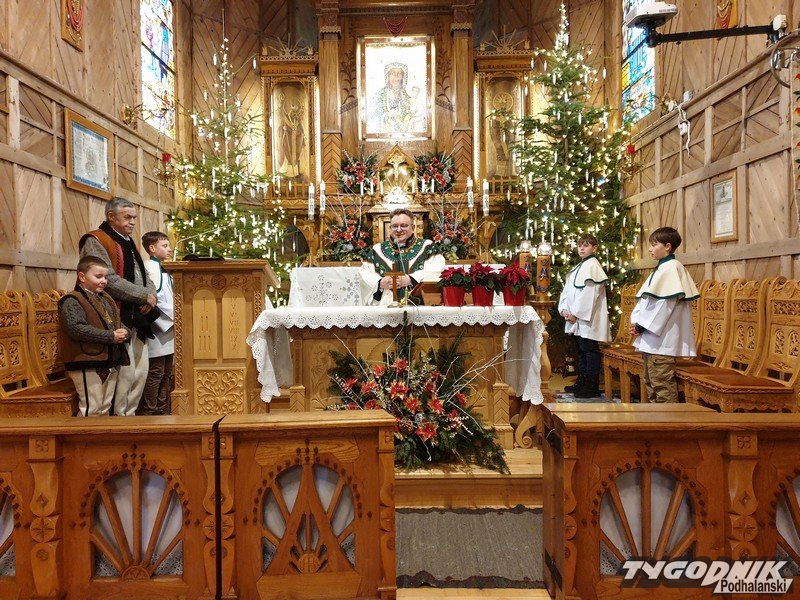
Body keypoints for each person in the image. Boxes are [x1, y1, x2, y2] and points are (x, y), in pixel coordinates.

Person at [79, 197, 157, 416]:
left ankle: (130, 415)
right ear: (111, 217)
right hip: (115, 314)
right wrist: (144, 296)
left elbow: (143, 274)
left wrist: (150, 294)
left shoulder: (128, 240)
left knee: (140, 372)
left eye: (134, 218)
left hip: (138, 314)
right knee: (125, 373)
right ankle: (119, 418)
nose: (132, 222)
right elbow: (109, 280)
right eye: (127, 217)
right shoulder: (97, 239)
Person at [630, 227, 700, 403]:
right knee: (651, 383)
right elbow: (646, 301)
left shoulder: (671, 268)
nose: (650, 249)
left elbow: (664, 305)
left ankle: (668, 418)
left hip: (661, 340)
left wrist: (641, 326)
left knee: (662, 385)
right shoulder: (662, 268)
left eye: (654, 245)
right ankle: (655, 416)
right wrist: (636, 322)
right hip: (652, 339)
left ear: (667, 246)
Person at [58, 256, 130, 417]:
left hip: (108, 359)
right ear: (82, 276)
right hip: (87, 361)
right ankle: (83, 435)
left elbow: (115, 322)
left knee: (104, 408)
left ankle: (101, 435)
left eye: (105, 277)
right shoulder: (72, 300)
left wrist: (125, 332)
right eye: (98, 276)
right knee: (92, 408)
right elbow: (76, 328)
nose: (103, 281)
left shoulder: (104, 299)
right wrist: (110, 336)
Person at [558, 234, 611, 398]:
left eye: (586, 245)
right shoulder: (579, 267)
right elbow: (567, 292)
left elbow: (589, 295)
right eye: (580, 245)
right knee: (580, 349)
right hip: (575, 317)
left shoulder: (593, 267)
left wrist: (575, 313)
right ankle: (582, 381)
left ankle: (591, 385)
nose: (581, 248)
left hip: (588, 318)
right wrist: (564, 310)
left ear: (594, 248)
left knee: (590, 349)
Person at [360, 208, 445, 305]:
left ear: (413, 227)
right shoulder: (377, 250)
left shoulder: (428, 247)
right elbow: (364, 274)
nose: (399, 230)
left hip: (419, 308)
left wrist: (411, 279)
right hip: (386, 308)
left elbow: (437, 269)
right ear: (390, 228)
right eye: (395, 226)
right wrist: (379, 283)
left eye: (404, 226)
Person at [140, 231, 174, 416]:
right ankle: (150, 409)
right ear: (152, 248)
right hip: (158, 327)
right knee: (156, 371)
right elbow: (156, 299)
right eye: (165, 246)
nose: (169, 249)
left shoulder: (163, 267)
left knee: (167, 371)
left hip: (169, 328)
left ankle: (162, 407)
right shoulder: (150, 268)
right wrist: (176, 316)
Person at [373, 62, 413, 134]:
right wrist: (386, 116)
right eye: (392, 73)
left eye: (399, 73)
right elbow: (373, 115)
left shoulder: (408, 98)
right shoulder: (379, 95)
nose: (396, 76)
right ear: (387, 77)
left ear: (403, 78)